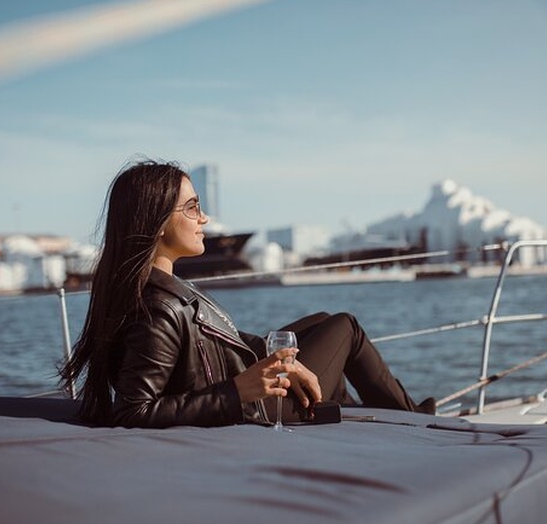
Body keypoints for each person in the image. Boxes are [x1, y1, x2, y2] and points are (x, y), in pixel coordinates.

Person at [60, 158, 434, 428]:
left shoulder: (158, 290)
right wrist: (238, 391)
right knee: (345, 328)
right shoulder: (159, 309)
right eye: (192, 208)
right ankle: (412, 420)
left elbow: (222, 340)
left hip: (243, 390)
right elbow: (132, 410)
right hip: (254, 407)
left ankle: (337, 407)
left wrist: (282, 357)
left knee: (321, 323)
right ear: (157, 222)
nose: (203, 218)